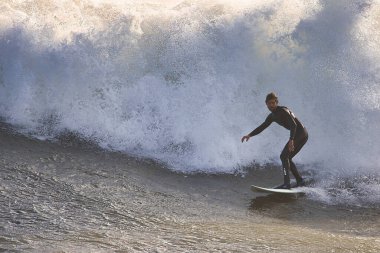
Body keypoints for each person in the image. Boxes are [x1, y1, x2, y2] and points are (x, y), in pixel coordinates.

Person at [241, 92, 308, 189]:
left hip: (300, 133)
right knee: (287, 157)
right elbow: (262, 127)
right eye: (269, 103)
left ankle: (286, 184)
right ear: (266, 103)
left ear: (277, 102)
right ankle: (300, 180)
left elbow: (294, 125)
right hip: (300, 134)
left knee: (283, 156)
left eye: (273, 103)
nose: (271, 105)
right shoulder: (272, 116)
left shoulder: (283, 111)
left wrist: (291, 140)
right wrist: (249, 135)